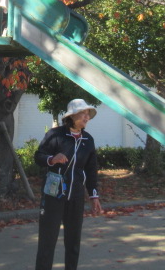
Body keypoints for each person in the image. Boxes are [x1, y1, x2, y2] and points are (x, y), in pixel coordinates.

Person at [34, 99, 103, 270]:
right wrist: (52, 159)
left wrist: (94, 195)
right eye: (83, 113)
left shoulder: (88, 140)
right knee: (47, 242)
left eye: (88, 114)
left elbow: (91, 170)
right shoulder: (55, 135)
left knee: (73, 243)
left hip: (76, 197)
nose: (86, 117)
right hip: (53, 196)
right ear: (71, 116)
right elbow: (38, 156)